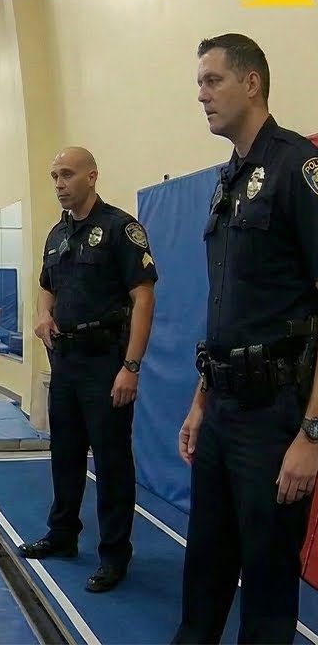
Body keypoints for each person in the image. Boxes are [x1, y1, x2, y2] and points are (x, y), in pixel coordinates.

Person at [173, 33, 318, 644]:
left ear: (251, 82)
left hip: (275, 415)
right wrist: (201, 402)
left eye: (212, 81)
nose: (201, 95)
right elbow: (226, 313)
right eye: (199, 83)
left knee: (266, 585)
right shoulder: (229, 179)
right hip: (223, 408)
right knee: (204, 568)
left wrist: (312, 434)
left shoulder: (296, 168)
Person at [22, 145, 158, 593]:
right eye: (54, 177)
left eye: (67, 175)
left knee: (112, 462)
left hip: (106, 362)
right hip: (66, 360)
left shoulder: (121, 229)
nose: (59, 184)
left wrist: (131, 366)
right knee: (64, 453)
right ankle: (62, 534)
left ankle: (115, 554)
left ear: (92, 176)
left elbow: (143, 298)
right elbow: (47, 285)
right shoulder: (57, 234)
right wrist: (43, 314)